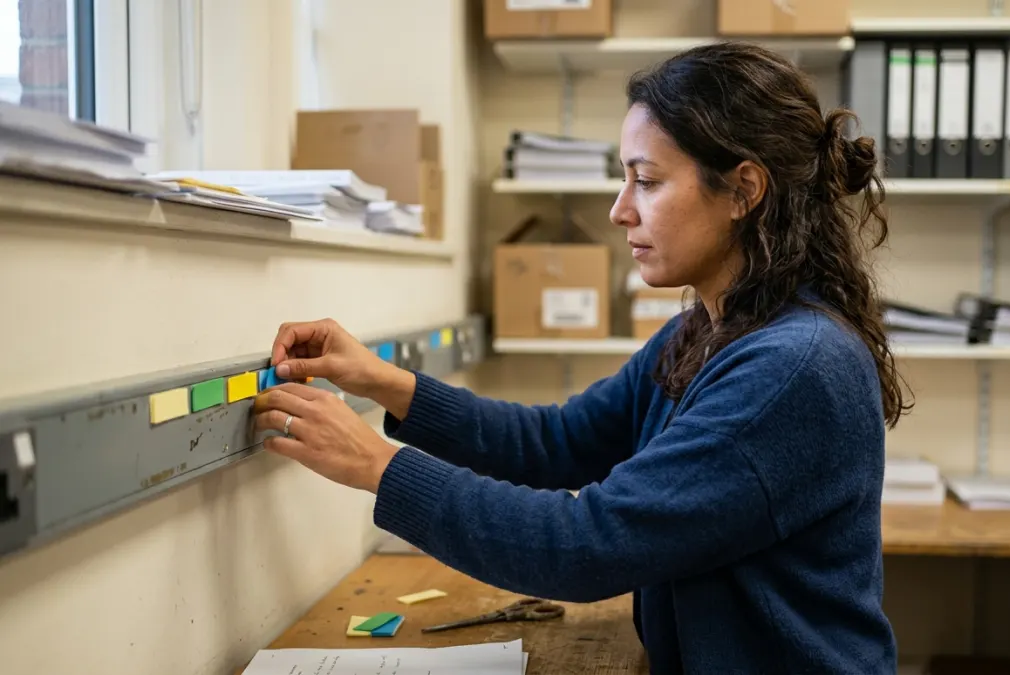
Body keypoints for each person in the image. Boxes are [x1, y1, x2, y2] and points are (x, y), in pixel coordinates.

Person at [253, 41, 906, 674]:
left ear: (743, 190)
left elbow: (587, 544)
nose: (620, 210)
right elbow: (560, 441)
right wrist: (386, 382)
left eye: (646, 181)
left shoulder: (791, 368)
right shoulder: (705, 332)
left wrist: (377, 465)